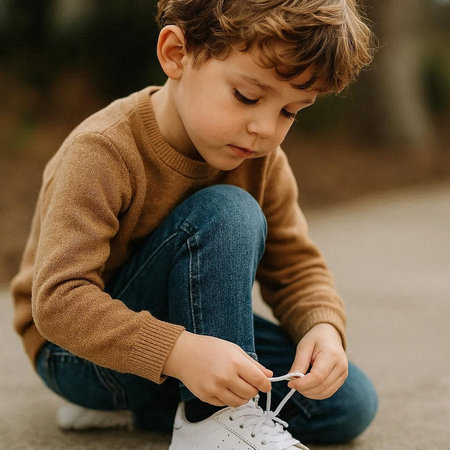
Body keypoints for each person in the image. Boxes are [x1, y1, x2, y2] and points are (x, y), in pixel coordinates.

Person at [10, 0, 378, 448]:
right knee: (228, 209)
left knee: (348, 404)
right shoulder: (102, 151)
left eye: (290, 112)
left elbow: (296, 267)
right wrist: (178, 352)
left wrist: (322, 327)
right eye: (247, 96)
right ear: (176, 54)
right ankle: (212, 420)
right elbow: (58, 302)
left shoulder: (261, 160)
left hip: (189, 343)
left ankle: (158, 405)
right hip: (79, 355)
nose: (264, 128)